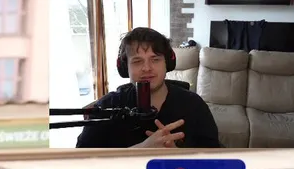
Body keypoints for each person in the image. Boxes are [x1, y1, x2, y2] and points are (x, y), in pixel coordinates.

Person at [77, 27, 221, 149]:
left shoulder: (194, 105)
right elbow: (81, 162)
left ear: (167, 63)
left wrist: (178, 156)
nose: (146, 68)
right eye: (137, 61)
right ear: (125, 68)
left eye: (155, 59)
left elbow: (216, 162)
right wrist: (138, 151)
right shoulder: (107, 106)